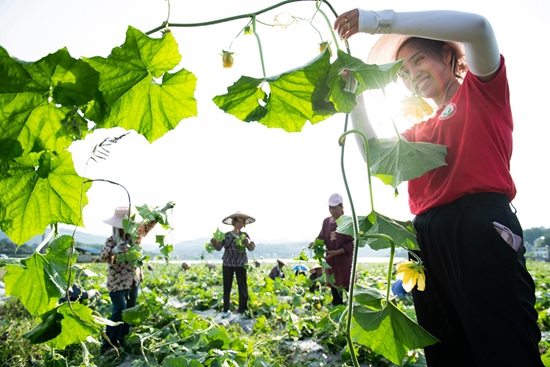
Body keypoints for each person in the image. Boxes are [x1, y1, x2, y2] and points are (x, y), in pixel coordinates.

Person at [334, 9, 543, 366]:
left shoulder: (481, 91)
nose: (413, 76)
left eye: (419, 61)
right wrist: (353, 97)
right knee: (447, 351)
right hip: (426, 238)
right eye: (404, 73)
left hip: (480, 225)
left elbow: (478, 28)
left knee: (505, 345)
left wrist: (378, 21)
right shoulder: (417, 133)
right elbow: (375, 155)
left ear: (447, 55)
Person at [99, 206, 159, 355]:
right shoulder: (112, 240)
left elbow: (152, 221)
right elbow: (103, 255)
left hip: (134, 280)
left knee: (130, 311)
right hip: (117, 281)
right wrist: (114, 250)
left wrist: (163, 208)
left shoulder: (138, 236)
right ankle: (107, 347)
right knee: (119, 311)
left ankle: (121, 341)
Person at [310, 193, 354, 306]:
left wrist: (337, 252)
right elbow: (321, 237)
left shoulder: (348, 222)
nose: (331, 210)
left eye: (334, 207)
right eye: (330, 207)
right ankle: (337, 317)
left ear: (341, 207)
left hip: (344, 262)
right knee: (335, 291)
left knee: (348, 290)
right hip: (331, 262)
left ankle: (349, 316)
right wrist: (315, 243)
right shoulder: (326, 222)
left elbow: (353, 243)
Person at [210, 211, 256, 318]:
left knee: (242, 286)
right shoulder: (226, 235)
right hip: (227, 263)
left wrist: (247, 243)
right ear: (234, 223)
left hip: (241, 263)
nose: (241, 224)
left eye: (242, 222)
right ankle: (225, 309)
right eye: (239, 222)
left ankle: (242, 309)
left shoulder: (245, 235)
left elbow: (251, 248)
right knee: (227, 287)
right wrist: (214, 243)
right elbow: (219, 248)